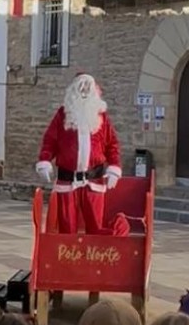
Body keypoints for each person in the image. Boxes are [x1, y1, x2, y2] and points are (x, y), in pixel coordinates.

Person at [36, 73, 123, 235]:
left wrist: (114, 167)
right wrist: (45, 160)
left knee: (95, 228)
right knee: (67, 228)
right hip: (67, 180)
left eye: (87, 87)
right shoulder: (63, 114)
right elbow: (50, 140)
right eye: (81, 87)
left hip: (94, 180)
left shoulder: (101, 116)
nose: (84, 91)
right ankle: (69, 252)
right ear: (73, 90)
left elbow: (112, 144)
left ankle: (95, 252)